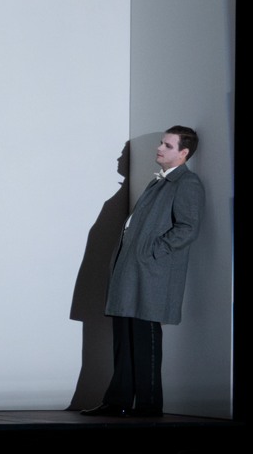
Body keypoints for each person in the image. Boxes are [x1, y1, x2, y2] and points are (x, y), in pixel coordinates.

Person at [83, 126, 205, 417]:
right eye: (161, 143)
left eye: (167, 145)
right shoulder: (159, 182)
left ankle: (149, 406)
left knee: (146, 339)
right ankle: (118, 400)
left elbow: (187, 228)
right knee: (124, 338)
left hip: (152, 273)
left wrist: (152, 252)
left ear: (184, 152)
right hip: (133, 270)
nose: (159, 148)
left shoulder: (186, 183)